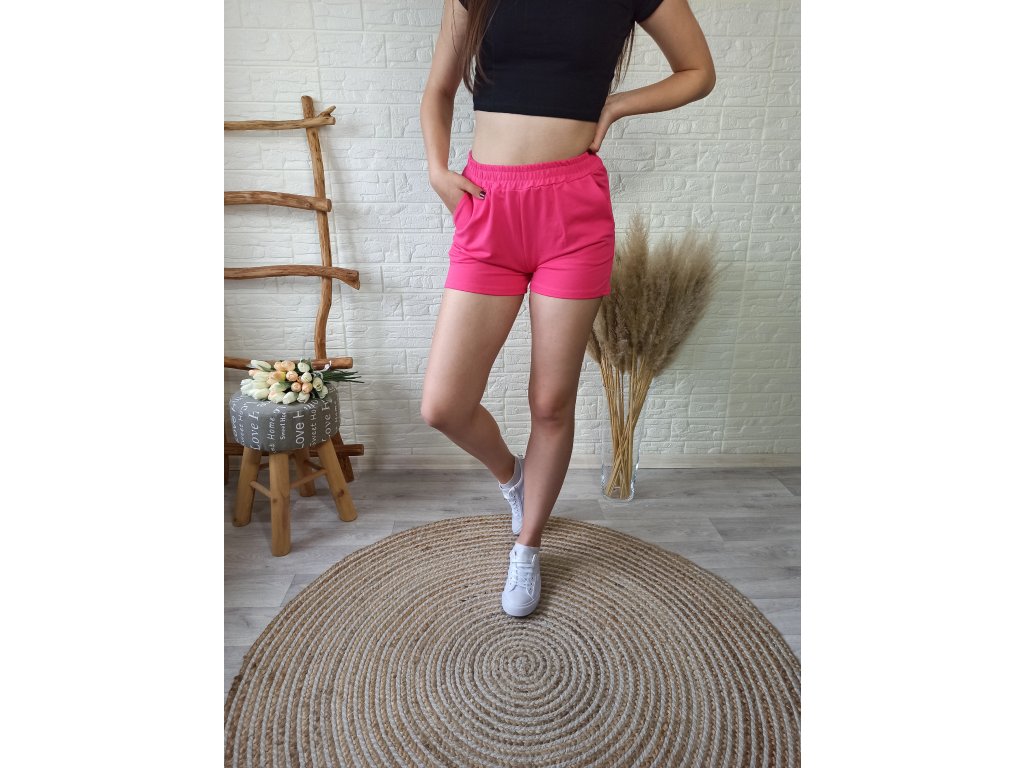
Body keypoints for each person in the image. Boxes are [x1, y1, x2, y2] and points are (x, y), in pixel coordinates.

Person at [418, 0, 715, 617]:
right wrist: (437, 170)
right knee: (443, 406)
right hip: (487, 206)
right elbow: (439, 89)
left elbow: (697, 72)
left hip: (572, 215)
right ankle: (514, 478)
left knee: (551, 402)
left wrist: (618, 104)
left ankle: (528, 546)